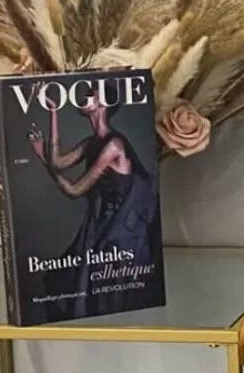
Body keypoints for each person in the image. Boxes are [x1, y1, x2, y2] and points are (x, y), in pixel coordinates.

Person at [28, 80, 161, 319]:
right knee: (73, 286)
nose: (84, 96)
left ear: (102, 104)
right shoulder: (92, 143)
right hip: (103, 227)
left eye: (91, 93)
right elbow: (58, 162)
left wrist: (42, 159)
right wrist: (54, 112)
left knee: (106, 300)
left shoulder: (114, 145)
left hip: (123, 233)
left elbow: (74, 190)